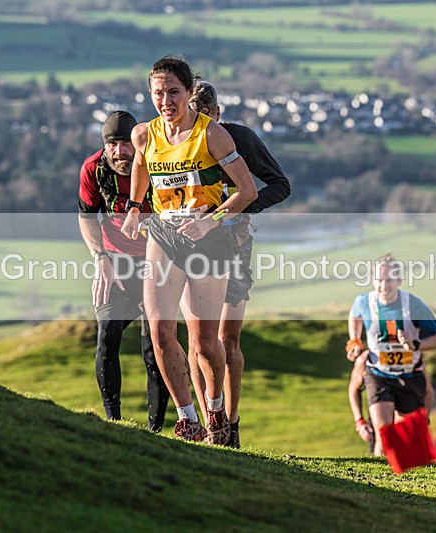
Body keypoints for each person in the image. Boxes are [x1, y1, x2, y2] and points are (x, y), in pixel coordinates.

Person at [120, 56, 257, 444]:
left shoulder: (211, 135)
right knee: (161, 332)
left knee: (203, 342)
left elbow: (247, 192)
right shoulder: (144, 135)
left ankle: (215, 411)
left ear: (186, 92)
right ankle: (187, 419)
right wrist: (135, 207)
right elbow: (142, 168)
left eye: (173, 92)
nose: (166, 101)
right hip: (164, 235)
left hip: (208, 239)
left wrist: (209, 220)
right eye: (158, 93)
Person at [182, 80, 290, 448]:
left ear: (218, 115)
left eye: (207, 118)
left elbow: (280, 185)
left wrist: (241, 210)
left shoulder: (239, 139)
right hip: (192, 246)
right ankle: (206, 426)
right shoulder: (176, 141)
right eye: (194, 118)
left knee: (227, 339)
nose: (202, 127)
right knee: (199, 341)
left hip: (235, 245)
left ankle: (231, 423)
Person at [77, 110, 169, 431]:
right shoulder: (94, 169)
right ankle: (113, 423)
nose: (119, 152)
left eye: (124, 144)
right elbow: (87, 216)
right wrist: (99, 257)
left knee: (154, 344)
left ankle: (156, 429)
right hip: (115, 260)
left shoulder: (156, 166)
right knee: (107, 333)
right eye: (111, 145)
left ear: (137, 143)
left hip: (157, 260)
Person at [345, 253, 436, 456]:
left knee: (406, 443)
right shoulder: (364, 302)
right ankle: (374, 485)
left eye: (389, 280)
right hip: (379, 374)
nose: (384, 286)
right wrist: (355, 339)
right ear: (373, 280)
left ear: (399, 280)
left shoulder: (414, 305)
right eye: (379, 280)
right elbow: (354, 314)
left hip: (410, 376)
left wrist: (415, 344)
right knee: (384, 435)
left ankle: (405, 482)